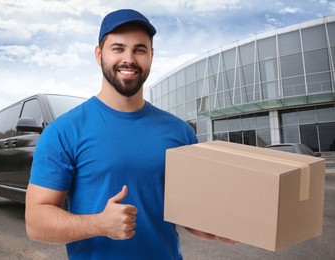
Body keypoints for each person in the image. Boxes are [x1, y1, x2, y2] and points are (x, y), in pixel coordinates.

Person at [25, 9, 234, 259]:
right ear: (99, 54)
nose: (129, 59)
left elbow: (189, 215)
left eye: (139, 49)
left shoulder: (180, 132)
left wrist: (218, 228)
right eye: (118, 48)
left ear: (151, 56)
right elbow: (36, 223)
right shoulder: (64, 131)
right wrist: (99, 224)